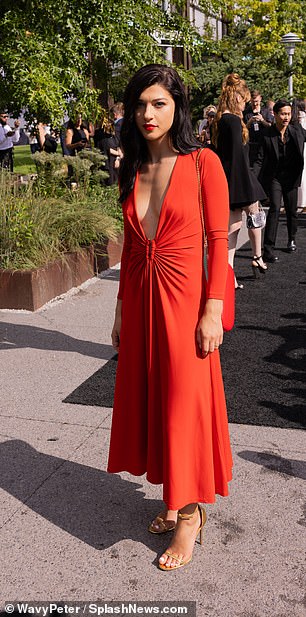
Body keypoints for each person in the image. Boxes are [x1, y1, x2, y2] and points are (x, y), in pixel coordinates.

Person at [107, 64, 232, 571]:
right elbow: (131, 248)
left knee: (185, 403)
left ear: (176, 106)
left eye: (158, 103)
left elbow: (220, 242)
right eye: (139, 104)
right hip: (140, 301)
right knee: (154, 399)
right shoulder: (132, 166)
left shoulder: (204, 162)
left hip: (185, 304)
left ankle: (191, 516)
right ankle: (174, 496)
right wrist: (119, 309)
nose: (147, 114)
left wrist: (213, 309)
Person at [211, 74, 267, 286]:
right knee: (254, 216)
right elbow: (237, 156)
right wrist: (246, 187)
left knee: (232, 230)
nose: (244, 104)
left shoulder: (219, 120)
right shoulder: (233, 121)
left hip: (228, 179)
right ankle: (257, 256)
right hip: (239, 180)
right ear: (235, 97)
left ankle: (229, 274)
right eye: (243, 100)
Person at [253, 99, 306, 261]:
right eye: (283, 114)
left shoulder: (297, 131)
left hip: (292, 176)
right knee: (275, 208)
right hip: (274, 177)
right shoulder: (267, 135)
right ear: (274, 114)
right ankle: (268, 249)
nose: (286, 117)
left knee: (291, 210)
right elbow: (259, 160)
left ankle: (291, 239)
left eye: (288, 114)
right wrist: (253, 180)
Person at [244, 90, 272, 168]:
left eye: (256, 101)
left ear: (260, 99)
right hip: (251, 144)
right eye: (253, 102)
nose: (255, 104)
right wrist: (249, 122)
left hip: (263, 144)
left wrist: (262, 120)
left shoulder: (265, 111)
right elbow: (243, 129)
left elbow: (270, 126)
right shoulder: (246, 113)